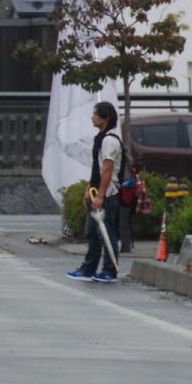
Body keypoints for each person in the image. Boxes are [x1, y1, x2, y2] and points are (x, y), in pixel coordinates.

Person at [66, 100, 124, 284]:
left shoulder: (109, 140)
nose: (92, 117)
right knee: (92, 231)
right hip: (96, 191)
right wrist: (88, 190)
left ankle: (109, 270)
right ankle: (88, 268)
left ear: (105, 118)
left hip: (108, 194)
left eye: (96, 114)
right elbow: (97, 169)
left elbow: (107, 169)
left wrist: (100, 195)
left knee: (107, 233)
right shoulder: (100, 138)